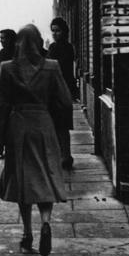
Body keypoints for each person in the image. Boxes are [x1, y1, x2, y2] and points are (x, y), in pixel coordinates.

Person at [0, 24, 72, 256]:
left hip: (18, 128)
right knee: (46, 175)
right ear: (39, 42)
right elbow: (65, 101)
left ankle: (27, 233)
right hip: (44, 126)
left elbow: (0, 105)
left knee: (22, 180)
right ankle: (45, 222)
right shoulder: (52, 67)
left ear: (18, 43)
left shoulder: (7, 68)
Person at [46, 17, 77, 170]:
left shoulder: (63, 48)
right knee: (59, 125)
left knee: (61, 125)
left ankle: (64, 155)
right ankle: (63, 155)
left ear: (64, 31)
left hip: (61, 89)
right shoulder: (57, 47)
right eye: (53, 31)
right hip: (58, 90)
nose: (55, 34)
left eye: (57, 31)